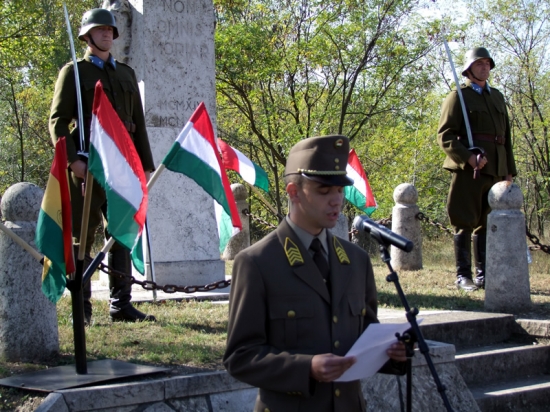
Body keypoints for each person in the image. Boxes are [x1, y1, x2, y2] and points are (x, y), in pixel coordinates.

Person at [223, 135, 406, 411]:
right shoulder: (257, 262)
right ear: (293, 192)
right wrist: (306, 367)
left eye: (340, 191)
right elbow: (240, 357)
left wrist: (393, 353)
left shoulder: (356, 260)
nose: (336, 201)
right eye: (324, 191)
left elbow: (366, 337)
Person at [49, 8, 156, 323]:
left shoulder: (125, 74)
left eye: (109, 30)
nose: (107, 33)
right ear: (87, 36)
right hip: (88, 163)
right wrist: (73, 161)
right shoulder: (74, 72)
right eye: (100, 29)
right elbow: (58, 121)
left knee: (121, 231)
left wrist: (145, 166)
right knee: (83, 234)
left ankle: (120, 304)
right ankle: (81, 307)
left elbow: (137, 123)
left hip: (123, 167)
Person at [437, 47, 517, 291]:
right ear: (469, 69)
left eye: (487, 63)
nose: (484, 67)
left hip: (496, 169)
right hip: (470, 170)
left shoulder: (498, 97)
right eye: (479, 63)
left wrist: (509, 170)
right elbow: (445, 136)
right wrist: (469, 158)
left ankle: (484, 275)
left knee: (487, 222)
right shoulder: (458, 97)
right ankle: (464, 276)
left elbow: (505, 138)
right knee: (464, 220)